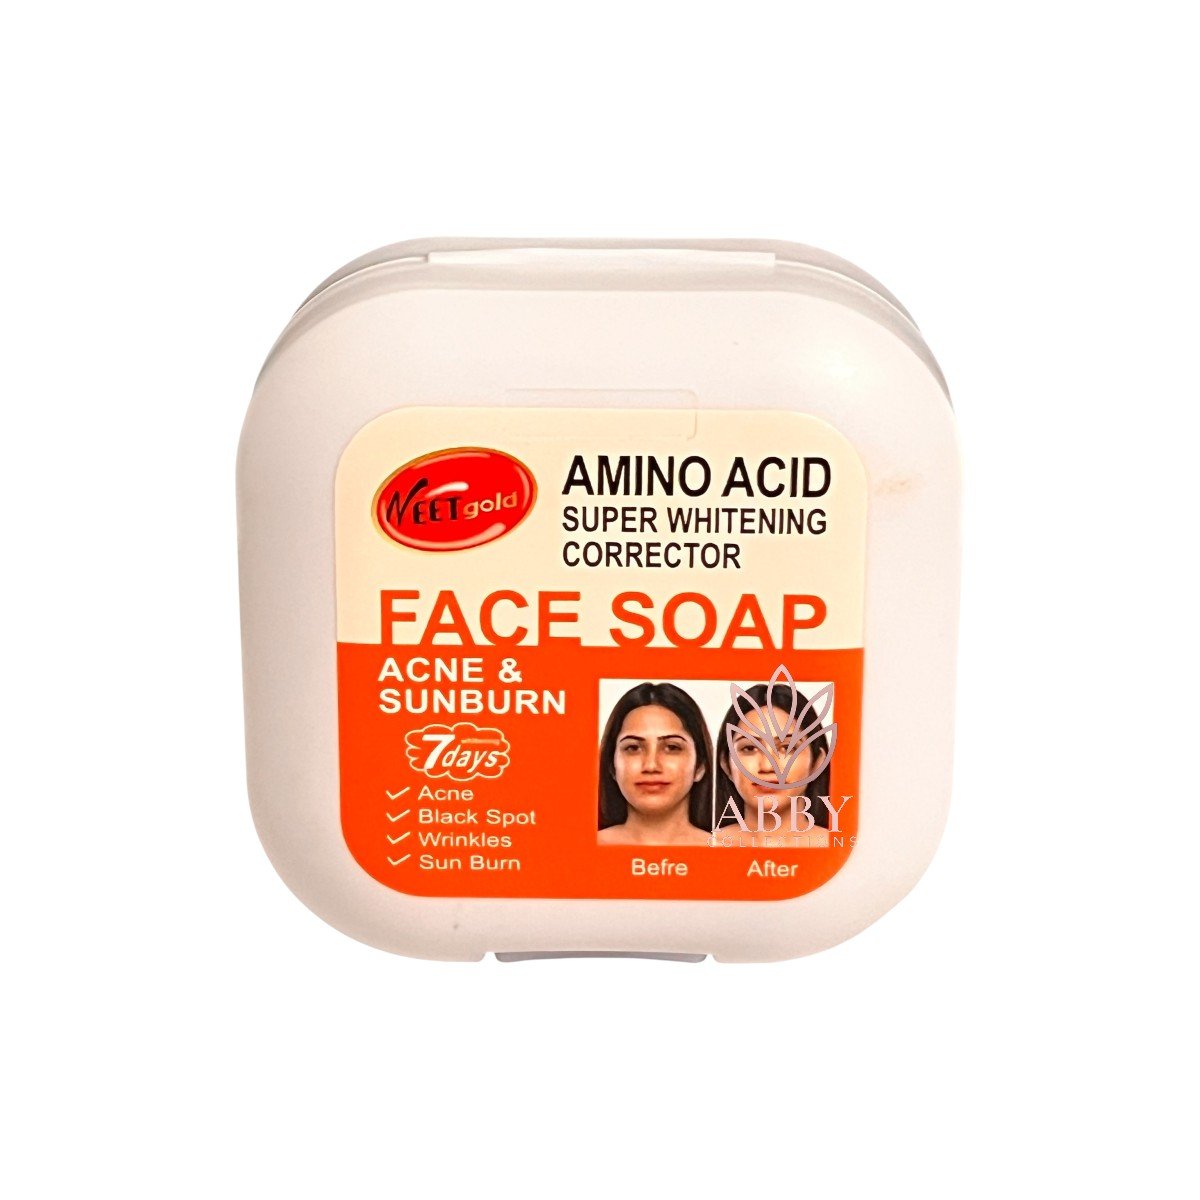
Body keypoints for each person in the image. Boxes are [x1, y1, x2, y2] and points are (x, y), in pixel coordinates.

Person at [713, 680, 833, 846]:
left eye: (787, 748)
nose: (768, 766)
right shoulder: (705, 845)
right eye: (749, 748)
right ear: (726, 764)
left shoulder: (841, 848)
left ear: (818, 762)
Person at [597, 682, 713, 845]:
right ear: (612, 766)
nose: (651, 766)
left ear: (700, 766)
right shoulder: (577, 847)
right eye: (633, 748)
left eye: (672, 747)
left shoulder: (730, 851)